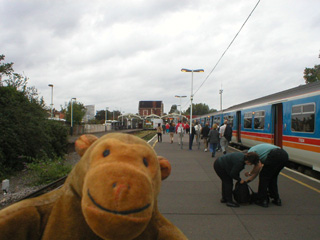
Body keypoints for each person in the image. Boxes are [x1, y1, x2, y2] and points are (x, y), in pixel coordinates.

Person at [246, 143, 289, 208]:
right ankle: (276, 199)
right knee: (273, 177)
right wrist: (250, 177)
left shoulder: (251, 153)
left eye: (248, 162)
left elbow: (258, 166)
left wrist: (250, 173)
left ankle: (263, 200)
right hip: (284, 155)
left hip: (274, 155)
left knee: (264, 177)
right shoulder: (255, 151)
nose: (249, 164)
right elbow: (257, 168)